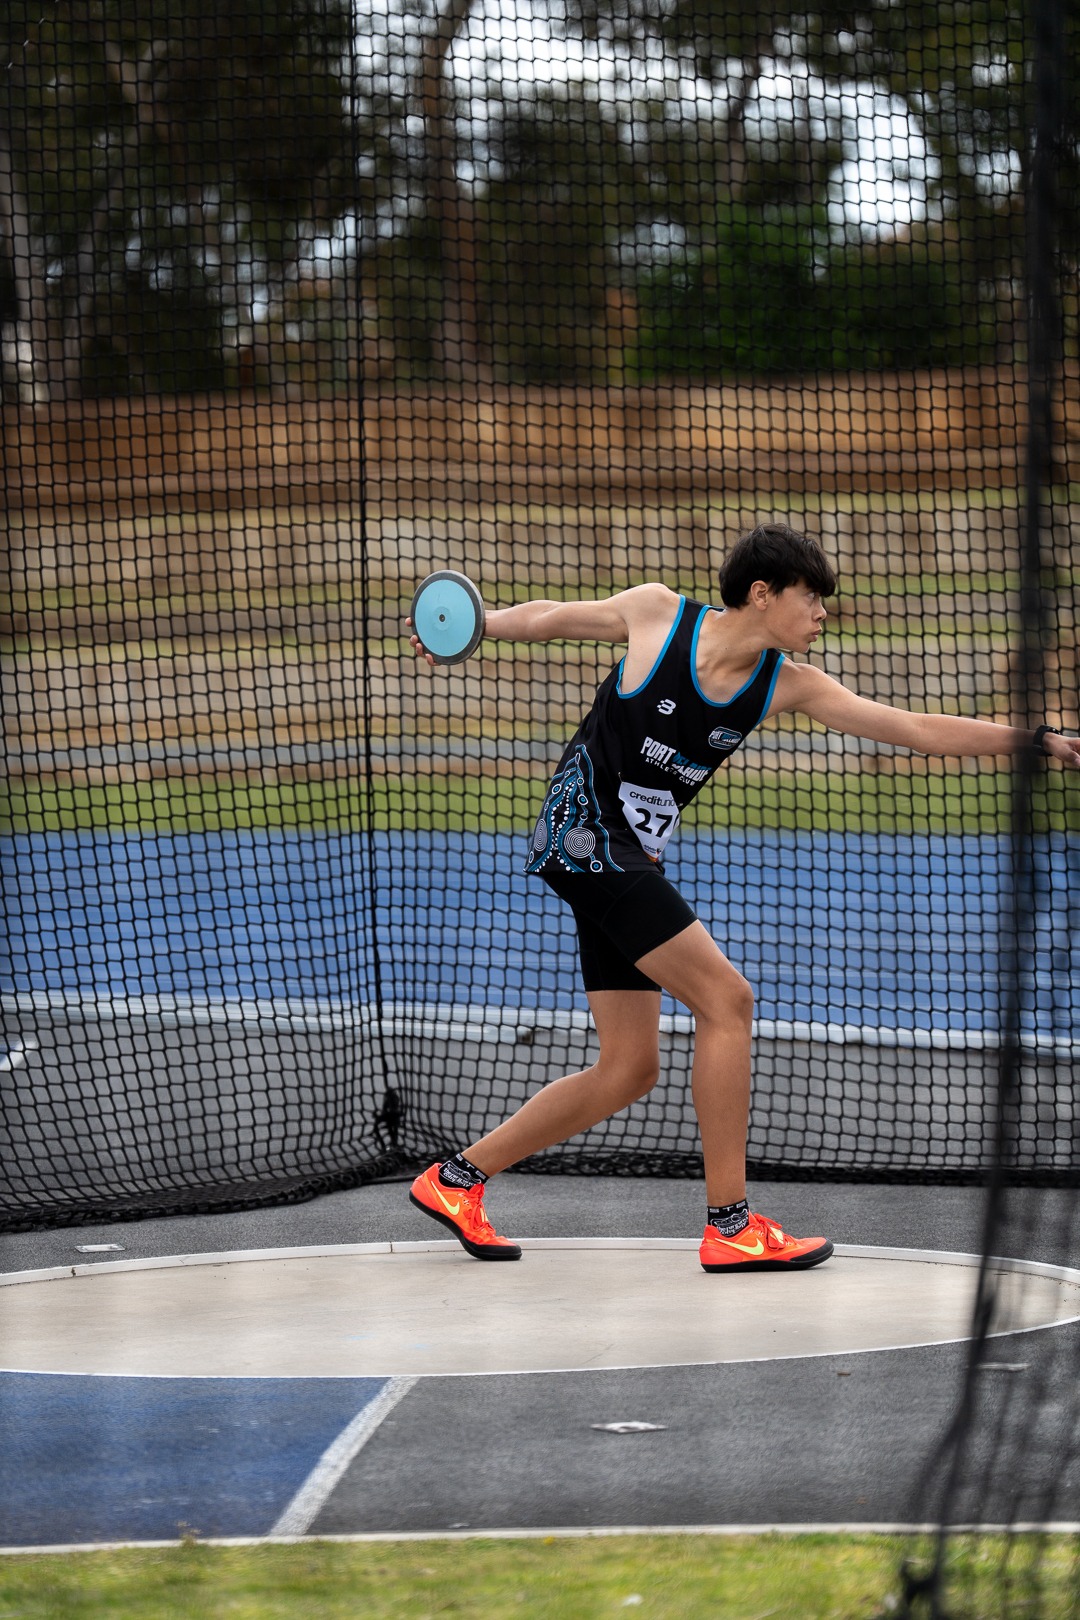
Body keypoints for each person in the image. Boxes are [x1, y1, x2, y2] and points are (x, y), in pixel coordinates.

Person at [405, 523, 1080, 1272]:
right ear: (762, 594)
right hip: (582, 837)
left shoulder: (787, 683)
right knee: (728, 1001)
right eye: (810, 597)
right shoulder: (657, 614)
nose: (822, 612)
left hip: (626, 860)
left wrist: (1035, 740)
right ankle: (730, 1225)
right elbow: (550, 618)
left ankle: (454, 1181)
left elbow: (914, 729)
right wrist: (476, 624)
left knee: (629, 1067)